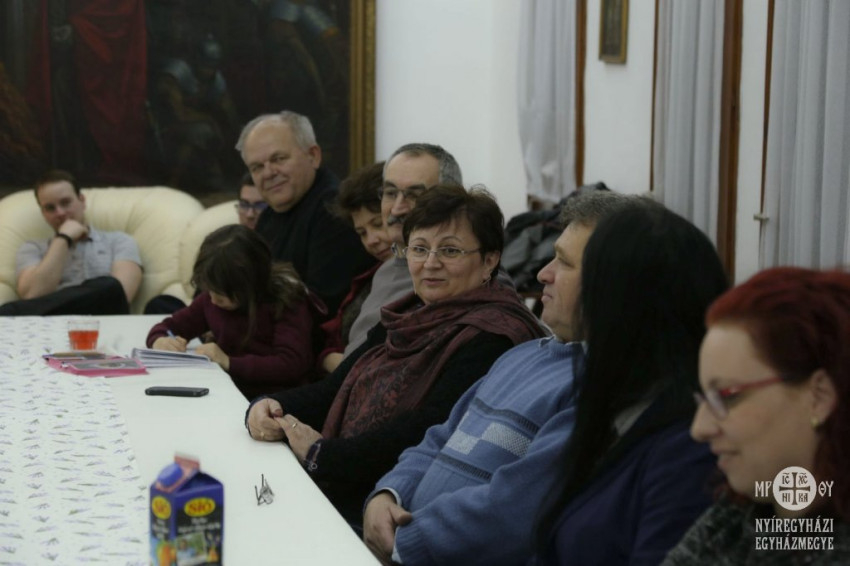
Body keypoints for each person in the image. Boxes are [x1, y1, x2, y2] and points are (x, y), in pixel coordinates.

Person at [246, 185, 546, 526]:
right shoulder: (408, 313)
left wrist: (324, 455)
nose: (430, 264)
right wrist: (269, 405)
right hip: (346, 478)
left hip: (394, 507)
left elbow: (427, 431)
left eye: (450, 250)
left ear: (489, 260)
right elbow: (334, 387)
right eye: (419, 249)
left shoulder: (494, 335)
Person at [363, 190, 630, 564]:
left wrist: (404, 542)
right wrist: (387, 494)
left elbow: (514, 514)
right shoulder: (521, 356)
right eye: (419, 249)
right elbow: (438, 438)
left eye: (564, 262)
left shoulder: (600, 384)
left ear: (612, 282)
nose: (543, 273)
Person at [533, 200, 728, 565]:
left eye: (566, 263)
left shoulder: (688, 447)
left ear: (622, 304)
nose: (543, 274)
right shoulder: (620, 404)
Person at [663, 267, 850, 565]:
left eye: (727, 396)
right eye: (705, 399)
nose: (699, 429)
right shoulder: (736, 519)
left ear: (819, 397)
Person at [146, 225, 319, 399]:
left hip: (275, 399)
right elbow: (170, 326)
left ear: (251, 284)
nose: (213, 300)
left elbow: (291, 364)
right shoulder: (212, 299)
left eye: (221, 295)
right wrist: (160, 340)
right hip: (227, 389)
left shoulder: (287, 301)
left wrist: (229, 362)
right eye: (210, 290)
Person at [235, 110, 374, 316]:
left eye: (279, 159)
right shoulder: (269, 215)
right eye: (257, 167)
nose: (268, 173)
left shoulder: (335, 210)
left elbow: (320, 307)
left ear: (313, 156)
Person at [341, 143, 462, 357]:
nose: (397, 209)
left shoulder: (466, 275)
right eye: (390, 193)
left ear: (451, 200)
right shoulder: (385, 270)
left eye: (414, 195)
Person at [1, 169, 142, 316]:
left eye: (65, 203)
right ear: (43, 213)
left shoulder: (119, 241)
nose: (60, 213)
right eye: (50, 208)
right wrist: (63, 239)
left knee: (109, 285)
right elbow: (32, 294)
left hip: (104, 319)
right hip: (53, 323)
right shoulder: (32, 248)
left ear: (82, 200)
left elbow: (121, 294)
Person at [318, 161, 392, 374]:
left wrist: (336, 362)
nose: (371, 240)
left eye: (378, 224)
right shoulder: (368, 276)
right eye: (362, 233)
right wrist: (327, 357)